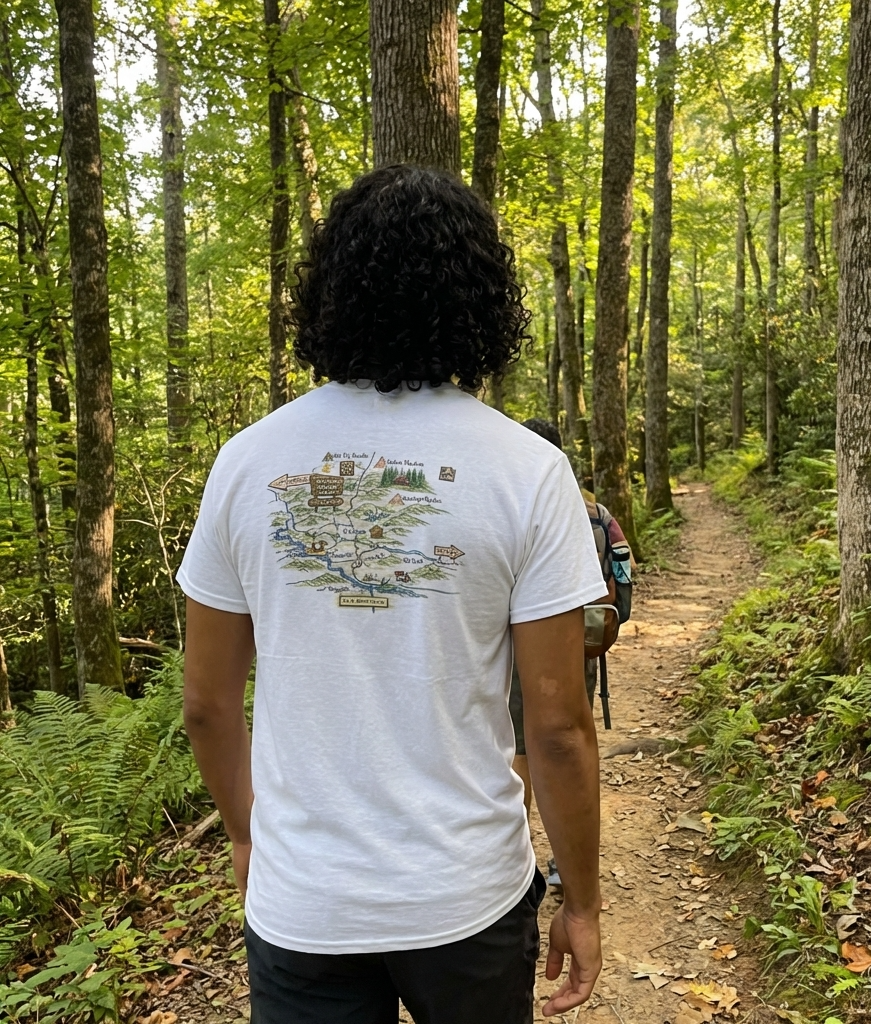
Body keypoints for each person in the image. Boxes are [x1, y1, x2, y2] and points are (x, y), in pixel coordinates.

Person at [177, 165, 608, 1024]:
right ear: (482, 301)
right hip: (467, 894)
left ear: (331, 293)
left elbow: (208, 705)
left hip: (304, 896)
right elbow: (556, 725)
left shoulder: (247, 461)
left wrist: (243, 834)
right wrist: (583, 899)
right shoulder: (527, 471)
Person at [507, 419, 633, 847]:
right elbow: (623, 584)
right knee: (572, 743)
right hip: (578, 644)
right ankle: (566, 861)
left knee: (519, 750)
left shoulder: (508, 506)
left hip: (512, 653)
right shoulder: (597, 515)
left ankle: (517, 851)